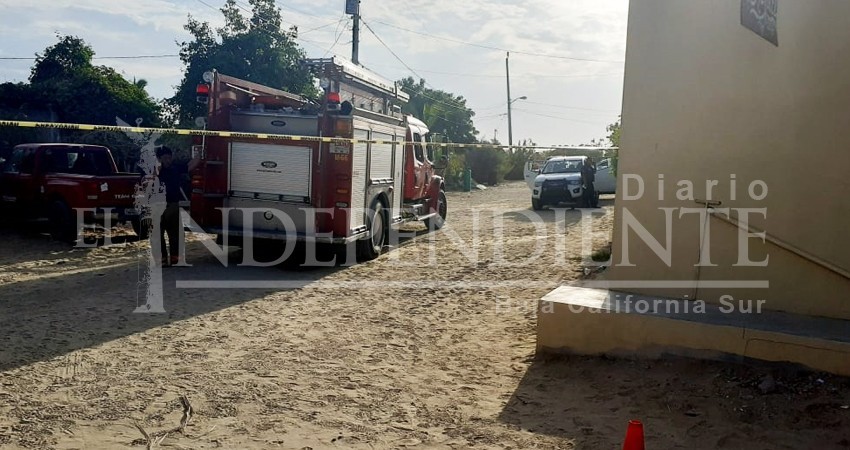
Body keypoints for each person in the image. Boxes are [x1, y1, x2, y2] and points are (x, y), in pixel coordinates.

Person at [153, 145, 201, 266]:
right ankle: (162, 261)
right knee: (157, 235)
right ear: (159, 159)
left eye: (169, 158)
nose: (168, 160)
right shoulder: (152, 170)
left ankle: (176, 259)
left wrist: (199, 155)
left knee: (176, 234)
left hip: (173, 206)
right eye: (165, 158)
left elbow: (189, 166)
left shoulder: (175, 168)